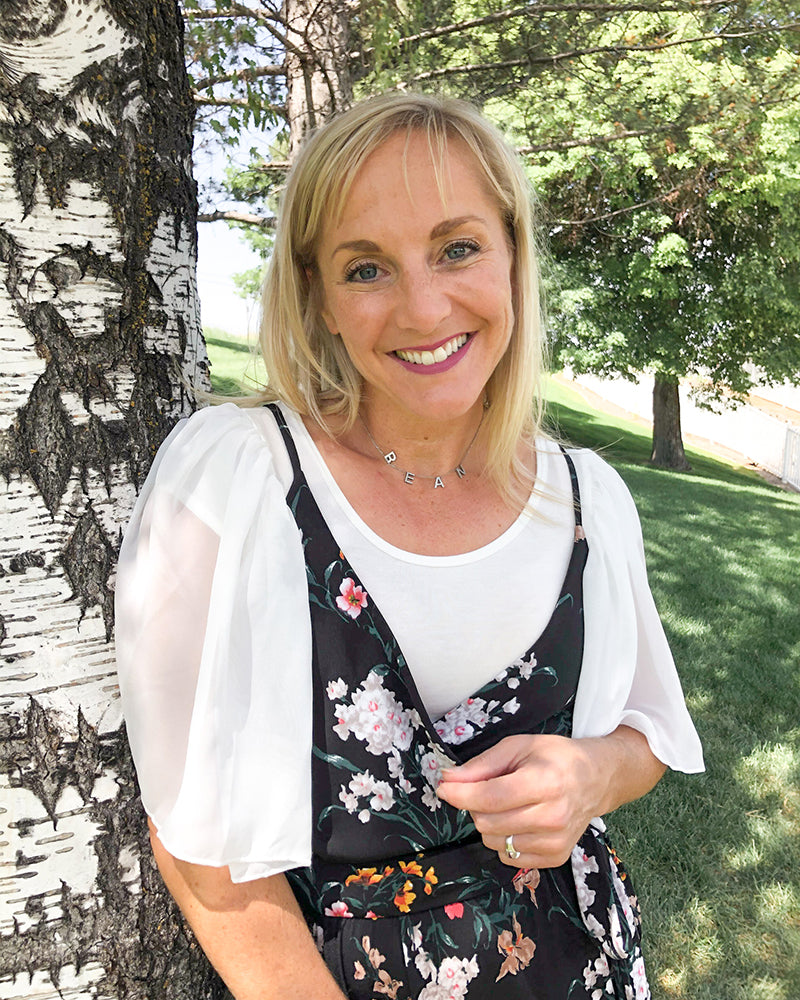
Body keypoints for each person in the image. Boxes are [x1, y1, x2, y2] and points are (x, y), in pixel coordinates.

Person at [115, 92, 704, 1000]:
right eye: (366, 269)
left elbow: (651, 731)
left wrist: (589, 777)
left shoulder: (590, 498)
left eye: (458, 248)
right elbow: (199, 846)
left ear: (513, 254)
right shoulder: (243, 478)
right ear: (318, 296)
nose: (425, 308)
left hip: (586, 964)